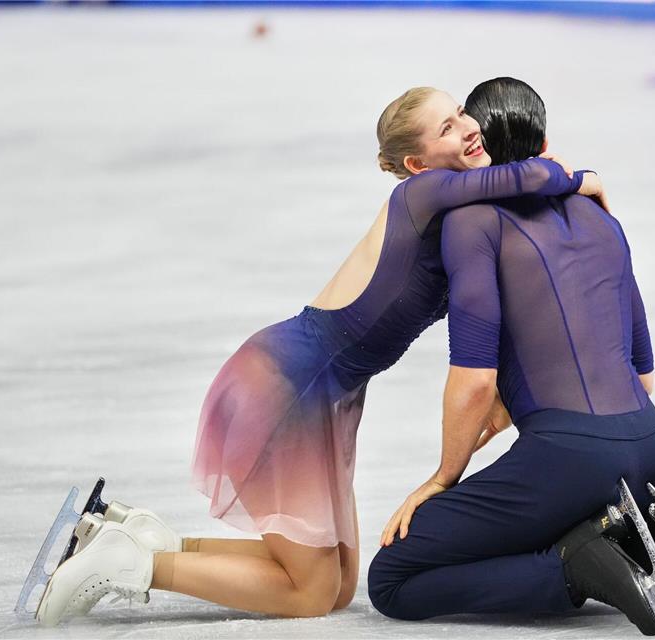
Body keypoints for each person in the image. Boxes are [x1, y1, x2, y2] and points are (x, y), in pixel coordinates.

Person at [32, 86, 606, 626]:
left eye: (461, 115)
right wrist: (582, 180)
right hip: (289, 385)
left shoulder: (458, 217)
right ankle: (133, 566)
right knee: (307, 594)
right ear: (418, 162)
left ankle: (155, 542)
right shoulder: (422, 194)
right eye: (447, 128)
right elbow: (531, 174)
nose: (467, 130)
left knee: (336, 586)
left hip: (326, 394)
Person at [368, 78, 655, 635]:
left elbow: (475, 379)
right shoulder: (599, 213)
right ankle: (643, 546)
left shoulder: (471, 222)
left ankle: (577, 569)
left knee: (393, 579)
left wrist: (443, 478)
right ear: (543, 139)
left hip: (571, 463)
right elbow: (642, 377)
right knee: (550, 508)